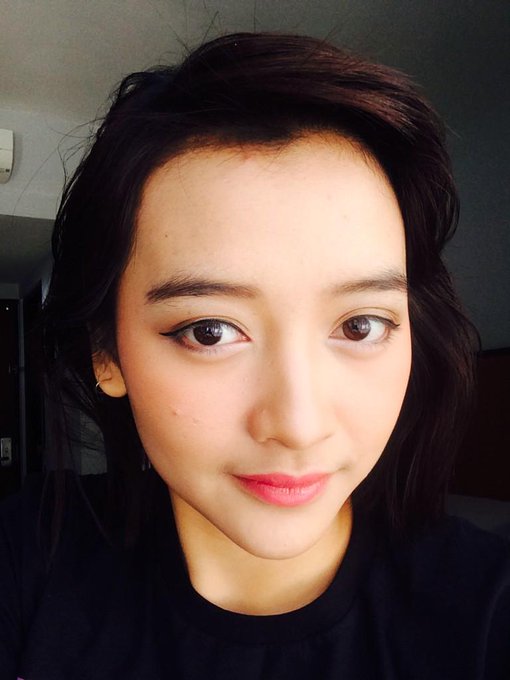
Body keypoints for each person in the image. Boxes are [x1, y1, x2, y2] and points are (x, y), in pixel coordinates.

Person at [0, 31, 509, 680]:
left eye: (359, 325)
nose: (297, 425)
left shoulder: (487, 608)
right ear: (107, 352)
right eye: (210, 331)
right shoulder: (28, 556)